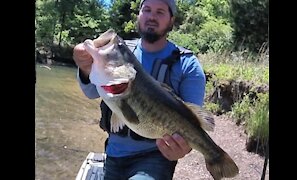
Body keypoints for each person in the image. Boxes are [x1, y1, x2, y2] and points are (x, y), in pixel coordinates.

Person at [73, 0, 206, 179]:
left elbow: (194, 124)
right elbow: (91, 92)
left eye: (160, 12)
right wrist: (84, 67)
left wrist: (184, 148)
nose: (151, 16)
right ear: (139, 15)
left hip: (156, 158)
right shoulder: (119, 51)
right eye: (147, 10)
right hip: (113, 154)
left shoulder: (188, 64)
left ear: (171, 20)